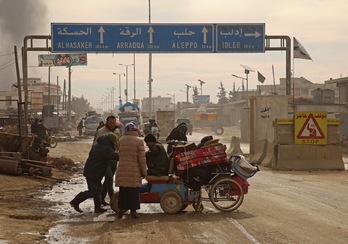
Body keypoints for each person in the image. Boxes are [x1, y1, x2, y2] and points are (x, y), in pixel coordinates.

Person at [70, 133, 119, 213]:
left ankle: (97, 208)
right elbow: (116, 157)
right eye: (115, 142)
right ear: (111, 141)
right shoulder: (106, 149)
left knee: (98, 190)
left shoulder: (98, 145)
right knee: (92, 191)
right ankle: (75, 201)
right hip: (93, 173)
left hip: (93, 171)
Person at [115, 122, 147, 219]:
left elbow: (118, 154)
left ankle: (120, 210)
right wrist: (144, 172)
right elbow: (141, 159)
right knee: (133, 191)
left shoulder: (121, 140)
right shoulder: (139, 141)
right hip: (133, 169)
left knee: (123, 191)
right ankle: (133, 211)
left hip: (122, 168)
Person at [94, 115, 121, 206]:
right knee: (108, 179)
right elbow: (95, 145)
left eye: (114, 123)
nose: (112, 125)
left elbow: (118, 144)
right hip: (104, 159)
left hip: (114, 159)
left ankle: (102, 198)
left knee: (108, 180)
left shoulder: (117, 131)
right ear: (107, 122)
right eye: (111, 123)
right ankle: (113, 199)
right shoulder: (101, 132)